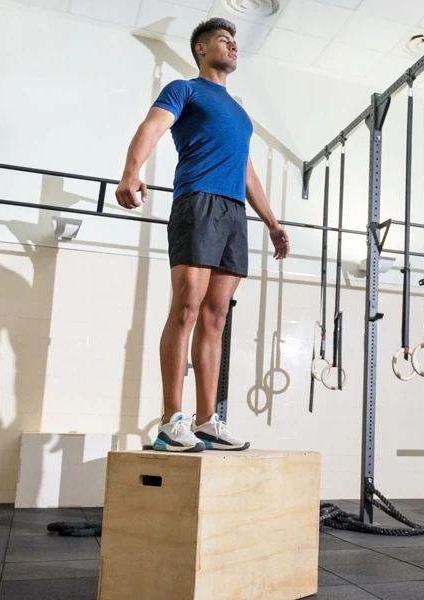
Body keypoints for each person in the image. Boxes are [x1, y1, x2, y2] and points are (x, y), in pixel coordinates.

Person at [115, 18, 289, 453]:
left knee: (216, 318)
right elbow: (151, 127)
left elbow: (247, 170)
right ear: (200, 48)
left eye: (234, 43)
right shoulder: (184, 90)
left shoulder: (240, 110)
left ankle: (208, 420)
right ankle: (171, 420)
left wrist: (271, 220)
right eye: (223, 41)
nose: (232, 47)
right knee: (187, 307)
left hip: (233, 213)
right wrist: (131, 172)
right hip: (198, 202)